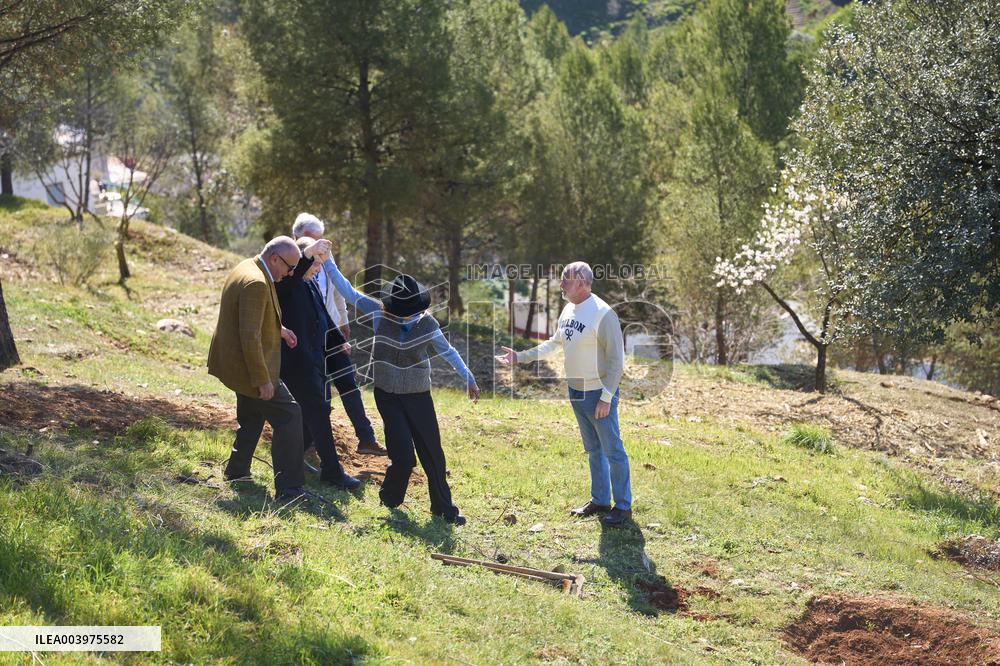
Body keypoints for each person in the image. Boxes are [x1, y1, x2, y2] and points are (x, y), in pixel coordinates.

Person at [324, 260, 481, 525]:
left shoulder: (428, 324)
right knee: (403, 456)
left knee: (433, 454)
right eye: (401, 312)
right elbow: (349, 292)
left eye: (410, 312)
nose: (406, 316)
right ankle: (390, 498)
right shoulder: (379, 313)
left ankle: (444, 509)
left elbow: (448, 352)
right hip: (387, 395)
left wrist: (469, 378)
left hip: (418, 395)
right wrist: (327, 261)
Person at [495, 261, 632, 526]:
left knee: (613, 450)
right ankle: (600, 500)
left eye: (565, 280)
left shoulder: (604, 313)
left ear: (581, 283)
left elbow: (617, 361)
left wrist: (606, 397)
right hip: (576, 391)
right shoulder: (569, 309)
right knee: (593, 449)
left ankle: (623, 507)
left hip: (598, 393)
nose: (561, 284)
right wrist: (520, 357)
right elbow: (553, 343)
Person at [207, 236, 307, 500]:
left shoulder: (249, 266)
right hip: (249, 367)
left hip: (235, 362)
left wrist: (279, 329)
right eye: (289, 267)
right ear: (274, 258)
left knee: (252, 416)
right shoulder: (257, 283)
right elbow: (249, 336)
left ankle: (237, 471)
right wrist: (263, 380)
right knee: (290, 415)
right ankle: (290, 489)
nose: (291, 273)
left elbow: (249, 317)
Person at [292, 212, 386, 456]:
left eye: (320, 238)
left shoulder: (326, 258)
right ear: (298, 237)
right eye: (312, 239)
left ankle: (366, 438)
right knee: (319, 389)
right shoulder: (292, 260)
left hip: (331, 329)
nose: (319, 245)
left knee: (348, 382)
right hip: (307, 337)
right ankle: (311, 443)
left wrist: (343, 323)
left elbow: (336, 291)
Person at [274, 237, 362, 490]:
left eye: (320, 264)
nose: (318, 269)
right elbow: (295, 275)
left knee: (311, 415)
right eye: (314, 263)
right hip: (295, 362)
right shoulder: (286, 284)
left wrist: (338, 341)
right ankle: (332, 471)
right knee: (319, 412)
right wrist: (308, 254)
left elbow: (323, 317)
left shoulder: (310, 284)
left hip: (314, 360)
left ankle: (291, 459)